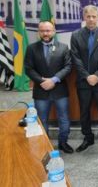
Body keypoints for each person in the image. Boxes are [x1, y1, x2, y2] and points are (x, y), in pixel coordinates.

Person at [24, 21, 73, 153]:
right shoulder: (31, 48)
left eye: (48, 30)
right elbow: (28, 69)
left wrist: (54, 80)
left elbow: (68, 67)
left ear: (54, 31)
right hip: (41, 91)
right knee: (42, 119)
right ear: (39, 32)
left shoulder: (63, 47)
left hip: (60, 90)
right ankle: (44, 145)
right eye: (43, 31)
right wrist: (41, 81)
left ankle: (63, 143)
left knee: (63, 118)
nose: (45, 33)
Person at [70, 5, 98, 152]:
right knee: (84, 111)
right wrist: (87, 76)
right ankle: (87, 137)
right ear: (84, 18)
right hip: (83, 81)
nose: (91, 19)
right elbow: (76, 59)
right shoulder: (75, 35)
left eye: (94, 16)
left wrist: (97, 76)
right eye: (88, 17)